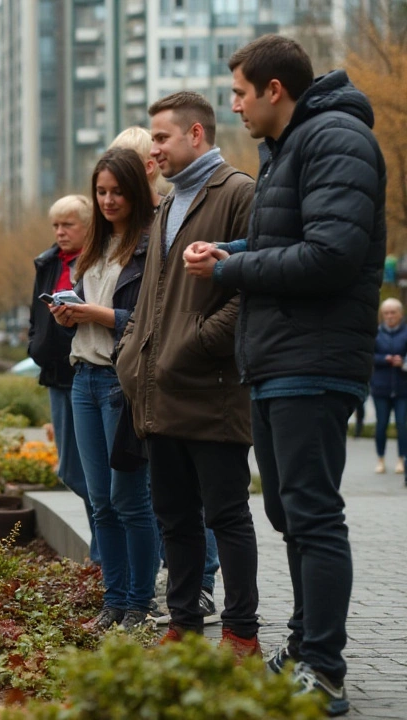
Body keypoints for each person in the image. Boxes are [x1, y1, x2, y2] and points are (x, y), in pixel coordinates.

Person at [185, 35, 385, 716]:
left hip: (314, 358)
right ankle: (304, 648)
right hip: (278, 360)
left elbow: (330, 255)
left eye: (240, 92)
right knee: (287, 512)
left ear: (275, 89)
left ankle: (323, 669)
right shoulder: (290, 148)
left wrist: (231, 268)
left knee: (313, 515)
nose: (233, 105)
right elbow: (288, 241)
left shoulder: (334, 139)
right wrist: (234, 249)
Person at [114, 91, 260, 656]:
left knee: (225, 515)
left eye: (161, 138)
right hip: (157, 394)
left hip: (212, 393)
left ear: (195, 134)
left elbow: (250, 290)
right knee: (173, 516)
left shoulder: (240, 193)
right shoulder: (168, 205)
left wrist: (192, 345)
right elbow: (152, 299)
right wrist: (134, 352)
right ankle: (182, 624)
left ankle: (240, 631)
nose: (153, 150)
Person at [109, 123, 224, 621]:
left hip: (179, 372)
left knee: (196, 496)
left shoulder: (178, 213)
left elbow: (193, 295)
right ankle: (179, 580)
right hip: (140, 372)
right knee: (159, 495)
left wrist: (179, 347)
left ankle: (199, 583)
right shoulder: (133, 228)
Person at [50, 147, 157, 632]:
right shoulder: (92, 245)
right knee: (99, 501)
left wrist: (96, 314)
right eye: (101, 191)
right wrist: (67, 312)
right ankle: (113, 601)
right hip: (83, 378)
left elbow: (153, 321)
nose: (109, 200)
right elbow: (86, 308)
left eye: (117, 191)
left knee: (131, 500)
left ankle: (139, 603)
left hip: (121, 381)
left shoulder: (150, 244)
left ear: (134, 191)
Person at [28, 194, 97, 566]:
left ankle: (105, 554)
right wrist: (34, 342)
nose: (60, 232)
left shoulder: (97, 259)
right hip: (57, 373)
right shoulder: (49, 261)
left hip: (89, 370)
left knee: (97, 472)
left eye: (68, 225)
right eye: (56, 225)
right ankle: (105, 550)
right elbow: (35, 312)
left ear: (88, 226)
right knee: (70, 469)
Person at [371, 298, 407, 475]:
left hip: (403, 388)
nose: (390, 316)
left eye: (393, 312)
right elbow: (368, 356)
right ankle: (380, 459)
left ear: (400, 314)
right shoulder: (375, 333)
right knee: (381, 425)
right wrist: (383, 359)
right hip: (381, 387)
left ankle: (402, 459)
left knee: (402, 424)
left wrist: (403, 363)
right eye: (386, 312)